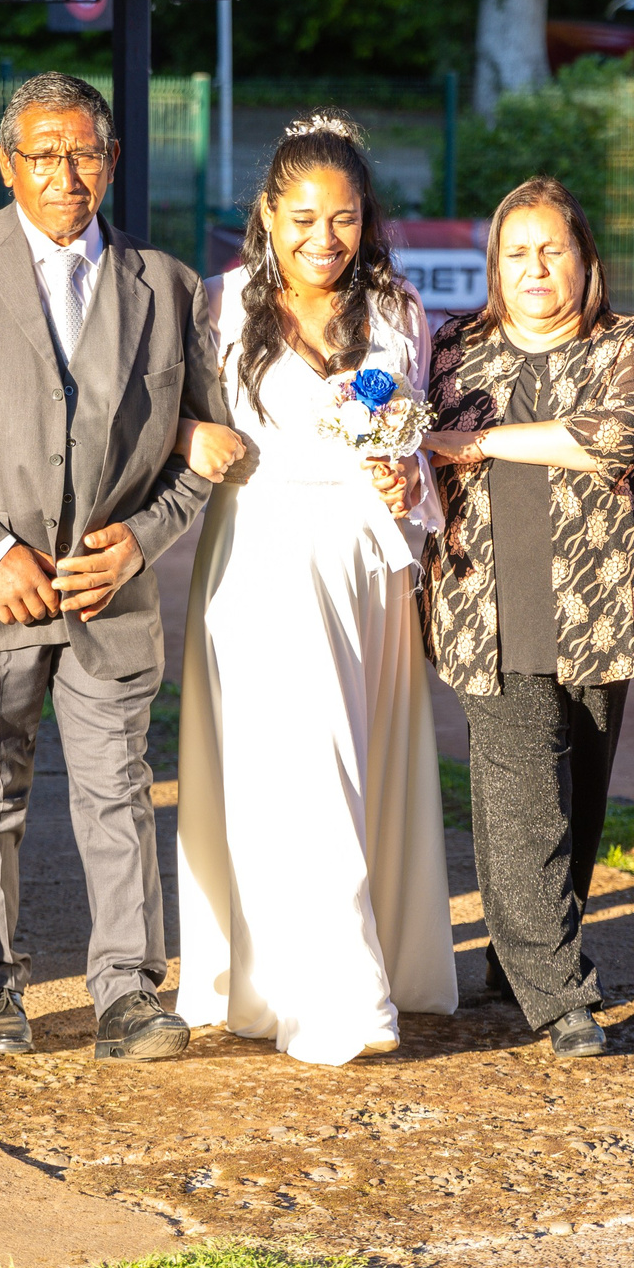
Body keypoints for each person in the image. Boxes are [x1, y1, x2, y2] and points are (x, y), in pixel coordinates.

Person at [0, 71, 225, 1063]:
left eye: (84, 153)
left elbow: (207, 446)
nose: (66, 173)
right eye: (44, 153)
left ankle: (125, 992)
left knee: (118, 784)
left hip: (111, 594)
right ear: (5, 163)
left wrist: (142, 540)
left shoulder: (166, 286)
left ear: (111, 161)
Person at [171, 112, 458, 1067]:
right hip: (260, 556)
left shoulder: (400, 314)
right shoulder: (214, 308)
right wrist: (185, 439)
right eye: (301, 217)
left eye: (341, 218)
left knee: (357, 762)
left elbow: (413, 449)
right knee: (298, 768)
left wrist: (406, 477)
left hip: (368, 568)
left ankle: (297, 978)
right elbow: (148, 419)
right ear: (265, 213)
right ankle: (335, 1003)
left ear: (365, 219)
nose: (321, 239)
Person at [414, 176, 634, 1060]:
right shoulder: (454, 350)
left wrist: (481, 443)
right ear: (495, 265)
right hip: (485, 607)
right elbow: (414, 452)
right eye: (515, 253)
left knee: (578, 801)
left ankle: (517, 954)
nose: (534, 269)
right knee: (524, 791)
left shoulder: (633, 346)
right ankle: (562, 994)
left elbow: (617, 437)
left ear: (585, 259)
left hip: (598, 612)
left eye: (551, 250)